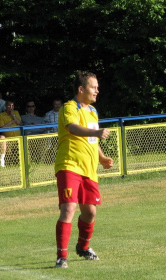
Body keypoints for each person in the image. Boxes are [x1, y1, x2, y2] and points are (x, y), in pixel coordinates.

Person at [54, 71, 113, 268]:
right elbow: (72, 128)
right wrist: (97, 131)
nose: (97, 90)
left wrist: (102, 157)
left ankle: (82, 247)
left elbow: (91, 140)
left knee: (90, 213)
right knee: (69, 208)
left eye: (97, 87)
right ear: (81, 89)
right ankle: (62, 257)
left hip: (89, 169)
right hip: (69, 165)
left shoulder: (93, 111)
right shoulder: (69, 107)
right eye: (93, 87)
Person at [0, 100, 21, 167]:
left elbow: (18, 122)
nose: (11, 107)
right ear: (5, 106)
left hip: (18, 137)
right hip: (8, 137)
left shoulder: (16, 112)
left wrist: (13, 115)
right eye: (9, 105)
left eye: (12, 106)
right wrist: (12, 122)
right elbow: (2, 127)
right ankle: (2, 162)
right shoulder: (2, 115)